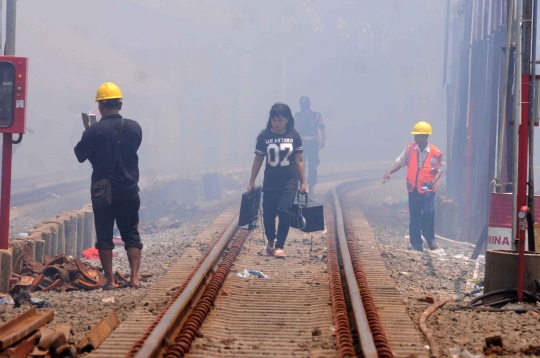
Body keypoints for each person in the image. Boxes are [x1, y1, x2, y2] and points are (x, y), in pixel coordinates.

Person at [74, 82, 143, 289]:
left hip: (103, 191)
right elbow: (130, 149)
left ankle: (111, 281)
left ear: (101, 107)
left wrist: (90, 132)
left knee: (104, 235)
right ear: (120, 105)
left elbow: (80, 155)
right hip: (129, 189)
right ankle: (135, 278)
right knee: (131, 233)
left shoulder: (94, 131)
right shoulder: (135, 127)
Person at [247, 103, 306, 258]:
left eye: (280, 119)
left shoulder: (294, 135)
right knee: (269, 214)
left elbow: (299, 159)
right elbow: (258, 159)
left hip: (289, 180)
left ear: (287, 119)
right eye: (274, 119)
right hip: (271, 181)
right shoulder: (264, 136)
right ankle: (271, 241)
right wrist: (251, 181)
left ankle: (280, 246)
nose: (276, 122)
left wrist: (303, 182)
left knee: (285, 211)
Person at [382, 121, 446, 252]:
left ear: (426, 137)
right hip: (414, 188)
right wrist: (390, 172)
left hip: (428, 188)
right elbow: (400, 163)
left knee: (428, 213)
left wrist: (434, 180)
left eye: (419, 135)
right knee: (415, 215)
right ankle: (416, 242)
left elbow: (440, 169)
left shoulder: (436, 152)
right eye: (415, 135)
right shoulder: (410, 149)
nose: (416, 138)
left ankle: (430, 238)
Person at [294, 96, 326, 195]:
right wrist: (303, 118)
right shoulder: (298, 115)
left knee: (312, 165)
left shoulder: (316, 115)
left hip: (313, 142)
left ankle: (311, 187)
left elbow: (322, 127)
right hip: (302, 142)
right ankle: (302, 187)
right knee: (301, 165)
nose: (304, 108)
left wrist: (323, 139)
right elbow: (295, 127)